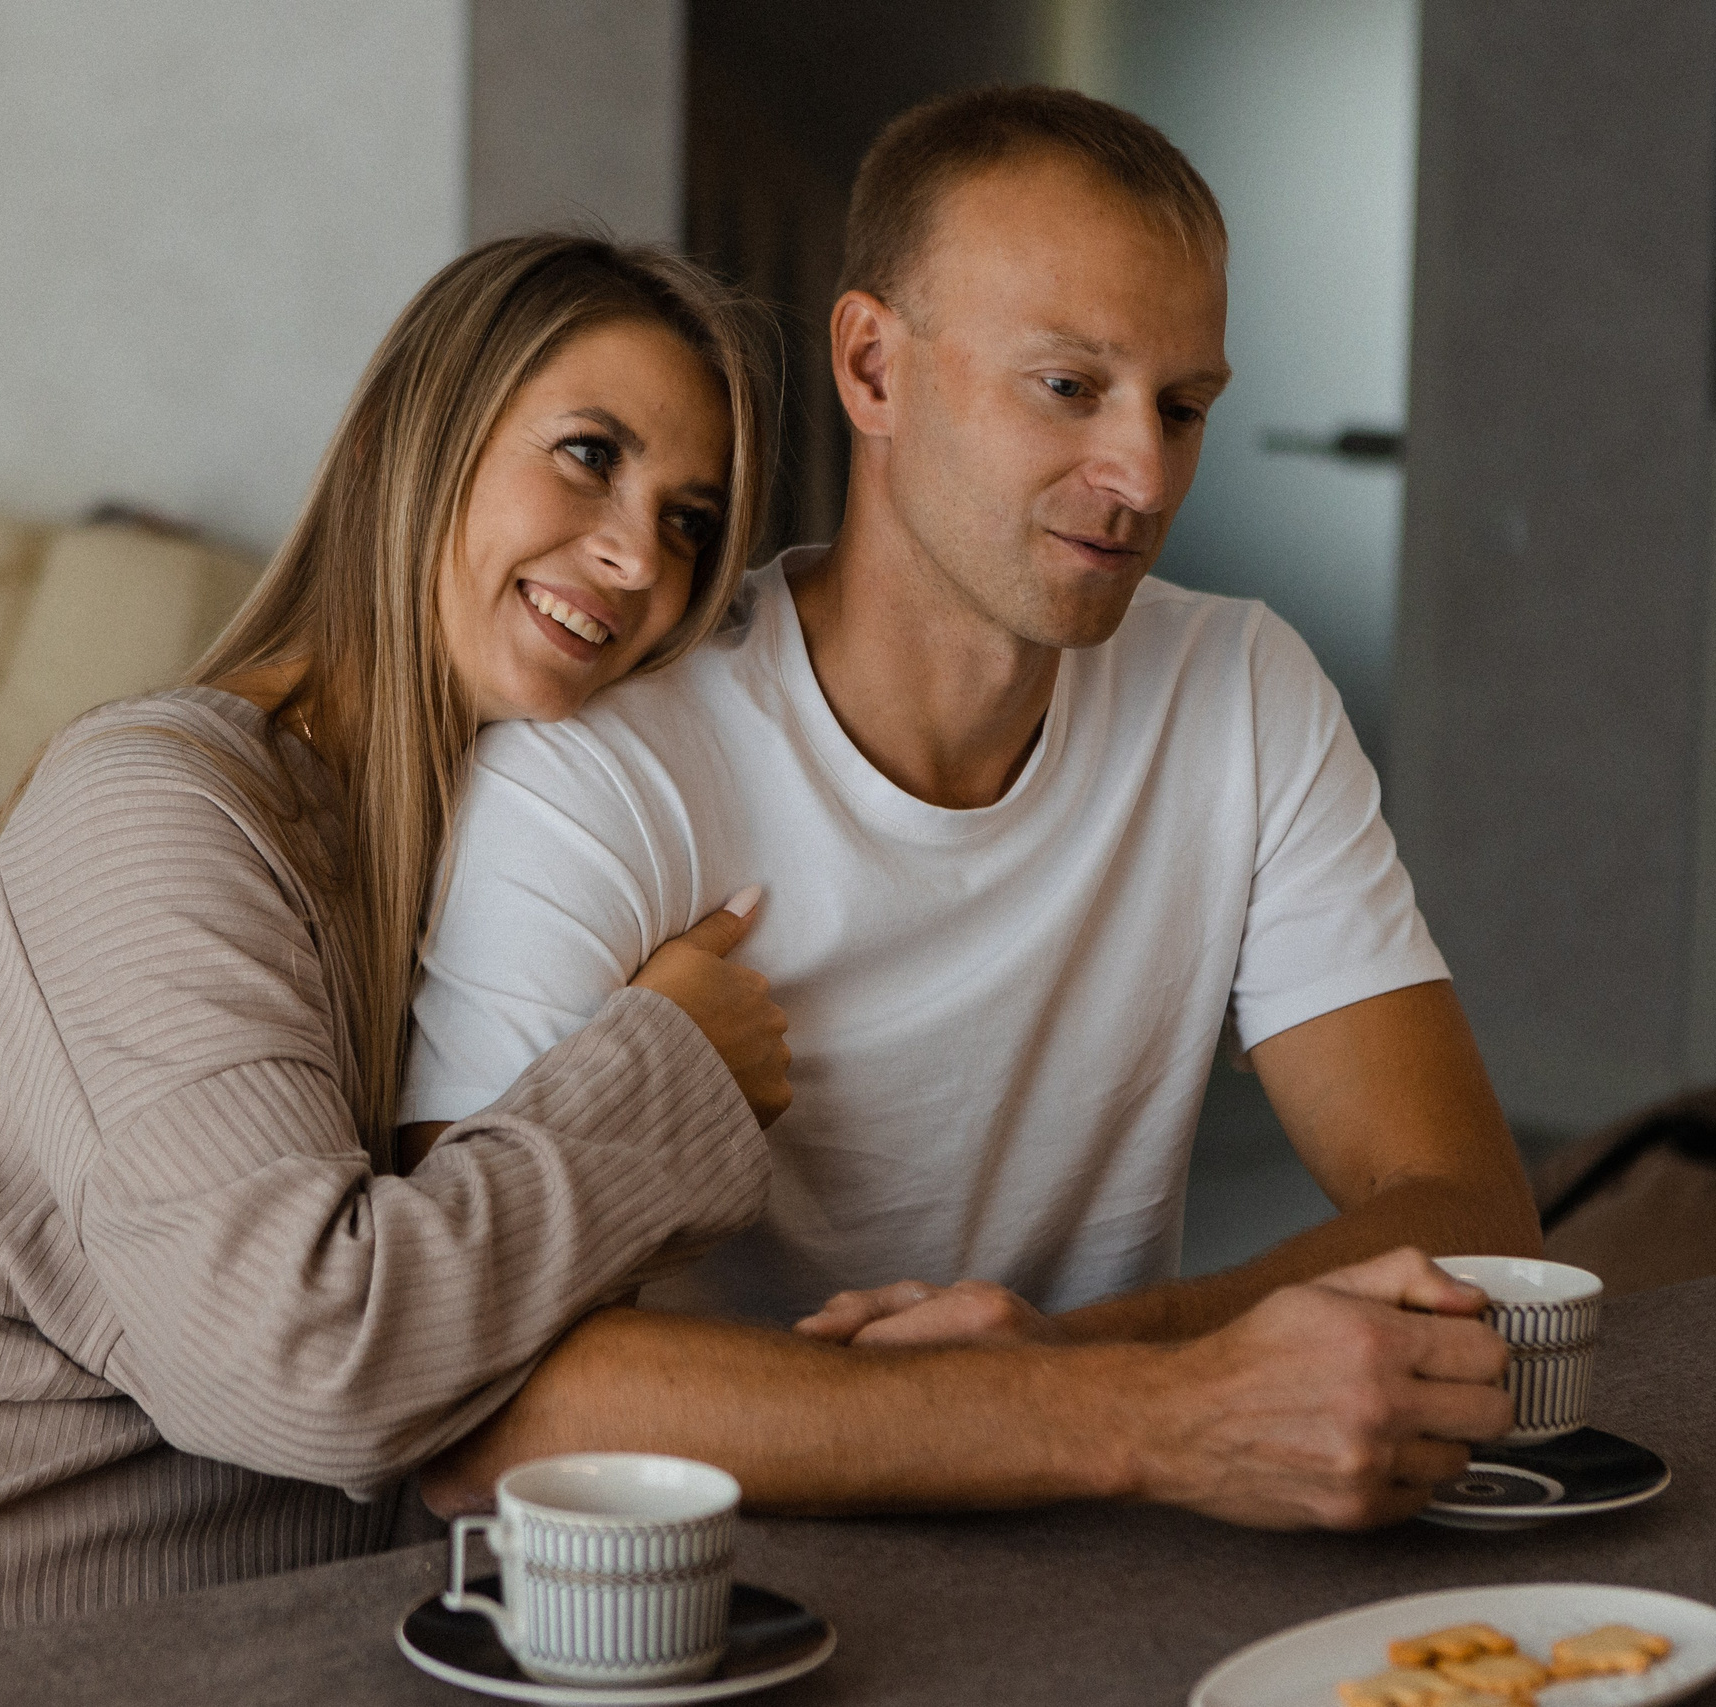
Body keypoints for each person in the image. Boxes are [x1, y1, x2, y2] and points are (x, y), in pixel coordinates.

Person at [401, 87, 1537, 1529]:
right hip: (712, 1580)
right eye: (1070, 387)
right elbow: (475, 1401)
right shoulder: (599, 765)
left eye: (1184, 409)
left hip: (1103, 1528)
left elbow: (1472, 1215)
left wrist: (1076, 1373)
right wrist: (1138, 1403)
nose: (1141, 476)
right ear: (873, 366)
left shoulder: (1238, 689)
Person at [0, 234, 797, 1677]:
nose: (639, 557)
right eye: (588, 456)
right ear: (420, 438)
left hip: (249, 1647)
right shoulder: (158, 810)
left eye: (691, 520)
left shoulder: (492, 864)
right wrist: (666, 1069)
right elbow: (310, 1366)